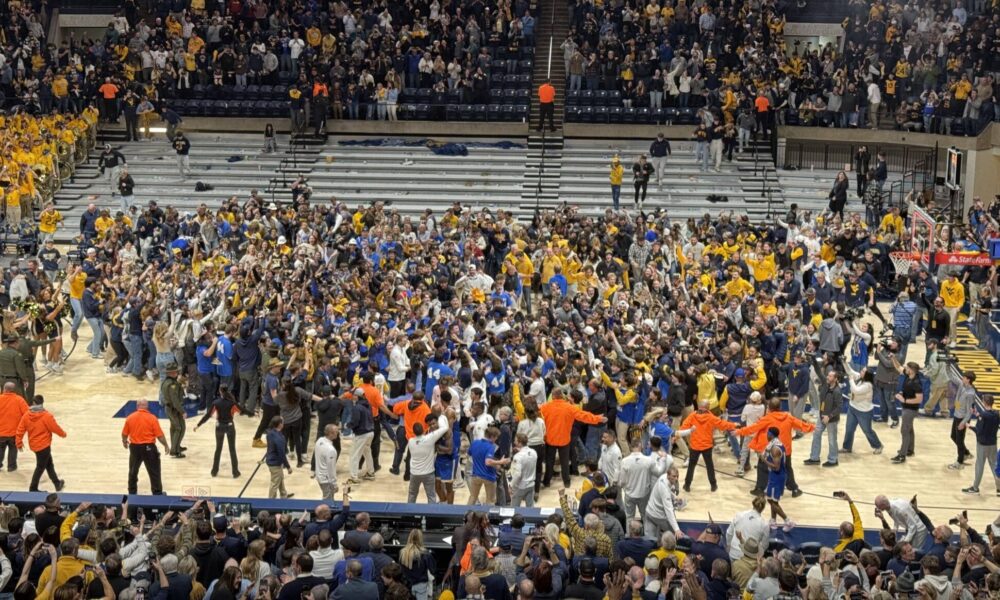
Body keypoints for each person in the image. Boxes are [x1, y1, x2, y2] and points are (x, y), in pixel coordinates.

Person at [680, 400, 736, 492]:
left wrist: (676, 435)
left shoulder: (692, 416)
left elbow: (683, 427)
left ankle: (687, 485)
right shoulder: (711, 417)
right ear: (707, 407)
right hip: (707, 446)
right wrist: (733, 425)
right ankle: (713, 485)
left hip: (695, 446)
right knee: (709, 466)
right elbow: (722, 425)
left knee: (691, 466)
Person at [15, 394, 66, 492]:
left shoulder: (26, 415)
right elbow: (55, 428)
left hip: (34, 445)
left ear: (33, 403)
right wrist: (63, 434)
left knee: (49, 464)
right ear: (42, 403)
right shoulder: (46, 416)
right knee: (40, 467)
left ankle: (57, 483)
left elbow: (20, 430)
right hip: (44, 445)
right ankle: (33, 488)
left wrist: (19, 443)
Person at [122, 398, 170, 495]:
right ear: (147, 406)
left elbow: (124, 433)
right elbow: (159, 435)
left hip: (135, 448)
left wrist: (124, 441)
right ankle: (157, 493)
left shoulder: (130, 417)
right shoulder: (152, 418)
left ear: (137, 406)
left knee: (133, 471)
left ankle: (132, 492)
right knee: (154, 471)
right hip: (149, 448)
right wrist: (165, 445)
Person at [193, 387, 243, 478]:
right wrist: (252, 413)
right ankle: (235, 472)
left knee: (218, 449)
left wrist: (198, 425)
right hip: (230, 426)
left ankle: (214, 471)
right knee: (232, 450)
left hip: (219, 427)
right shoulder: (232, 403)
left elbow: (208, 415)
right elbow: (242, 411)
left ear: (220, 391)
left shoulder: (216, 403)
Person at [961, 394, 1000, 496]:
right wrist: (977, 414)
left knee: (979, 466)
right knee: (994, 466)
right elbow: (988, 419)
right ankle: (999, 488)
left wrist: (969, 426)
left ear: (984, 402)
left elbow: (979, 431)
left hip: (982, 444)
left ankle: (975, 488)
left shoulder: (983, 415)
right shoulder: (996, 414)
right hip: (993, 443)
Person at [406, 413, 450, 503]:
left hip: (414, 473)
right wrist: (440, 416)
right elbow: (445, 428)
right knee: (431, 496)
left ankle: (408, 515)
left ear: (414, 432)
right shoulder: (429, 438)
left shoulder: (410, 441)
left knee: (412, 495)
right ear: (423, 430)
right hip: (428, 473)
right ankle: (431, 515)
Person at [841, 361, 883, 455]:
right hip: (852, 408)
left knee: (867, 431)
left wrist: (851, 380)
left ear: (867, 375)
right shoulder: (860, 377)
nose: (861, 371)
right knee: (849, 429)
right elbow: (850, 371)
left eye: (863, 371)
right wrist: (844, 362)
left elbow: (856, 390)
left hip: (864, 412)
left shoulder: (868, 385)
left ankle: (878, 445)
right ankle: (846, 447)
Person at [804, 368, 841, 467]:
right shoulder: (825, 386)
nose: (827, 377)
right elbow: (820, 373)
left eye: (830, 376)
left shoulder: (837, 391)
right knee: (816, 435)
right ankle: (814, 458)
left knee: (832, 440)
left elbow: (839, 407)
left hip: (831, 419)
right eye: (828, 375)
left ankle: (833, 460)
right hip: (822, 417)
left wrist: (829, 416)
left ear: (836, 379)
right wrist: (813, 359)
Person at [891, 359, 924, 464]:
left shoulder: (916, 383)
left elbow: (919, 399)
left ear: (912, 370)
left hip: (910, 410)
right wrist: (893, 358)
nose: (905, 369)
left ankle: (902, 455)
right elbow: (898, 367)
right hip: (907, 408)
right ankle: (910, 450)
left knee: (904, 431)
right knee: (909, 430)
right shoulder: (909, 375)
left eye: (907, 368)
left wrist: (904, 400)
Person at [762, 427, 793, 532]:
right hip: (774, 476)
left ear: (770, 435)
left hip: (777, 476)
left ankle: (788, 521)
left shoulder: (775, 449)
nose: (766, 435)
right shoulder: (775, 443)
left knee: (771, 500)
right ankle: (773, 521)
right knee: (772, 499)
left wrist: (764, 460)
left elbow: (776, 467)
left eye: (767, 433)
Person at [0, 381, 29, 472]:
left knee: (0, 448)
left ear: (4, 389)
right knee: (13, 449)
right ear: (14, 390)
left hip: (1, 432)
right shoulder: (19, 400)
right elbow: (27, 414)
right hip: (14, 432)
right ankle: (11, 466)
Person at [161, 362, 187, 459]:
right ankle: (175, 451)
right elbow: (175, 401)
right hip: (174, 409)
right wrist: (182, 411)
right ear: (172, 373)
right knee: (179, 428)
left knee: (174, 428)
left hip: (170, 408)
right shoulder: (172, 385)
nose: (177, 373)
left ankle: (176, 446)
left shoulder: (166, 382)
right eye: (176, 371)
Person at [265, 416, 294, 499]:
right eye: (283, 422)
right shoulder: (279, 438)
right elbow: (282, 454)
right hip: (275, 463)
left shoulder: (271, 432)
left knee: (280, 478)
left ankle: (283, 495)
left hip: (271, 459)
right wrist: (288, 466)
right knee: (275, 483)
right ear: (280, 424)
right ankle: (271, 501)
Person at [510, 432, 538, 507]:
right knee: (530, 507)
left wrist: (511, 485)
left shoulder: (518, 456)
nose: (514, 442)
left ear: (519, 443)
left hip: (520, 486)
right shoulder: (534, 452)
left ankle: (516, 519)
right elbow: (527, 457)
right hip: (531, 484)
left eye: (515, 440)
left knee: (514, 508)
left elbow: (517, 474)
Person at [314, 424, 340, 500]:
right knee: (328, 501)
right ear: (330, 433)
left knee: (327, 498)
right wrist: (334, 484)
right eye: (336, 432)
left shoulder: (319, 440)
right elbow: (331, 469)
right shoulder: (331, 450)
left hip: (319, 475)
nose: (337, 433)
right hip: (326, 480)